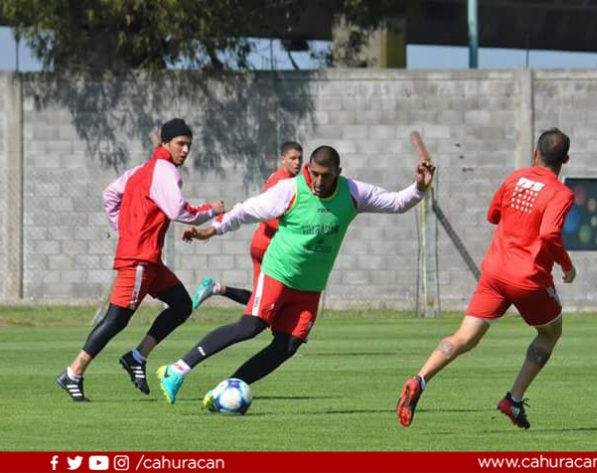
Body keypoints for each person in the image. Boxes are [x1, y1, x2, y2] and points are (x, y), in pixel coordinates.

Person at [156, 144, 436, 404]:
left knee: (287, 345)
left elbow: (397, 202)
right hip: (278, 273)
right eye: (313, 173)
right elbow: (245, 211)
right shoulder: (290, 190)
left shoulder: (353, 193)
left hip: (310, 287)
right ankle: (177, 369)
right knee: (250, 327)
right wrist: (210, 230)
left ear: (338, 172)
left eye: (324, 176)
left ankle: (228, 389)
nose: (317, 181)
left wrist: (418, 189)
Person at [396, 128, 576, 429]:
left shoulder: (514, 178)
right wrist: (567, 266)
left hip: (494, 272)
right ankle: (514, 399)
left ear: (535, 153)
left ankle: (420, 378)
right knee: (550, 333)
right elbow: (548, 234)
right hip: (527, 278)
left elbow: (493, 216)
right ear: (565, 160)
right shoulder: (560, 193)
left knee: (464, 337)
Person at [56, 118, 224, 402]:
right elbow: (176, 209)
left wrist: (123, 227)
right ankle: (73, 372)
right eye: (180, 144)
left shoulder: (140, 170)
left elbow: (110, 194)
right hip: (138, 259)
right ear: (165, 143)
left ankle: (137, 356)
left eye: (188, 145)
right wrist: (211, 210)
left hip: (148, 259)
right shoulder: (165, 170)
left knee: (182, 304)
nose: (185, 150)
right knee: (117, 319)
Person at [191, 141, 303, 309]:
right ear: (283, 159)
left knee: (259, 298)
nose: (297, 162)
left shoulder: (282, 178)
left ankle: (216, 288)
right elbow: (270, 217)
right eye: (292, 158)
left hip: (262, 243)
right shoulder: (283, 182)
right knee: (271, 299)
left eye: (299, 159)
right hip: (269, 246)